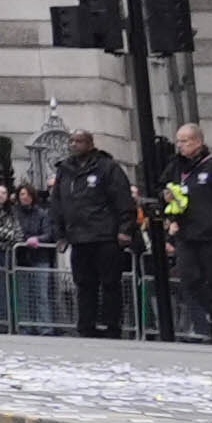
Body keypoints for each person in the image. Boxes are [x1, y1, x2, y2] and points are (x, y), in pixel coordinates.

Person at [46, 129, 134, 336]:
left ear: (90, 144)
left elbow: (123, 200)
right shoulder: (65, 170)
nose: (74, 145)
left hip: (105, 236)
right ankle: (86, 326)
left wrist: (125, 229)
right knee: (84, 284)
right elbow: (57, 203)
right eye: (72, 141)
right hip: (79, 237)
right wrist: (60, 234)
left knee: (110, 283)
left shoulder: (107, 167)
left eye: (79, 141)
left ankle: (112, 326)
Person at [164, 127, 212, 342]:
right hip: (186, 234)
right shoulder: (176, 168)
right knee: (189, 278)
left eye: (185, 141)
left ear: (198, 142)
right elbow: (163, 190)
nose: (180, 145)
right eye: (178, 141)